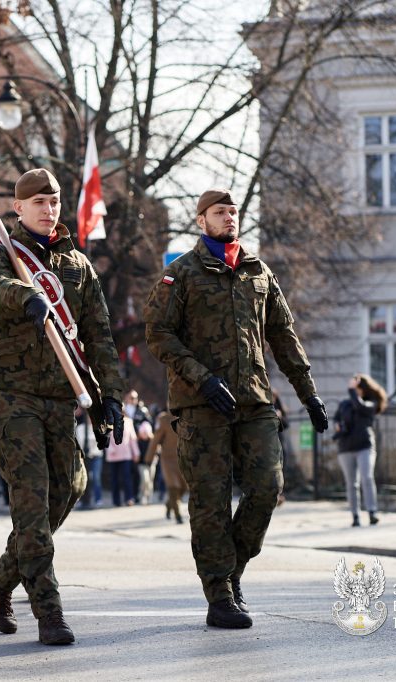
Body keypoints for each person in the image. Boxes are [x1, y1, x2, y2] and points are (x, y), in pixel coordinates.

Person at [144, 188, 328, 630]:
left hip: (254, 401)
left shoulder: (258, 271)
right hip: (200, 404)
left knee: (267, 487)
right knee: (210, 502)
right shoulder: (181, 274)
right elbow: (159, 334)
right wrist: (202, 378)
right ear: (201, 220)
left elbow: (283, 336)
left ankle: (232, 572)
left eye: (233, 212)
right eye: (219, 212)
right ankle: (219, 594)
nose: (229, 218)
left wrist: (309, 393)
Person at [0, 168, 126, 646]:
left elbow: (99, 335)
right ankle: (49, 611)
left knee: (71, 486)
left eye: (54, 201)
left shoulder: (78, 266)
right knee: (32, 503)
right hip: (11, 394)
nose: (48, 208)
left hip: (60, 397)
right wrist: (27, 297)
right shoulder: (2, 253)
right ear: (19, 208)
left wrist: (110, 399)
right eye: (37, 202)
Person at [332, 374, 387, 527]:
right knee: (351, 484)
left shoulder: (371, 403)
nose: (354, 391)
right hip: (346, 447)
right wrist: (337, 424)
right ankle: (355, 516)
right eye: (353, 388)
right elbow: (336, 418)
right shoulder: (344, 404)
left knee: (367, 478)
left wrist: (351, 391)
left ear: (362, 389)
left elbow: (360, 406)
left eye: (356, 388)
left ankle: (372, 512)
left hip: (365, 446)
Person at [145, 408, 187, 523]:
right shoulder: (164, 420)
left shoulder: (187, 417)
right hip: (168, 459)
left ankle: (169, 505)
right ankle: (178, 516)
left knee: (183, 488)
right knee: (173, 486)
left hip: (182, 459)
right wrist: (149, 458)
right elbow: (155, 439)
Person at [105, 413, 137, 507]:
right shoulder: (108, 421)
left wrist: (136, 453)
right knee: (114, 479)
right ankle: (116, 501)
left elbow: (132, 439)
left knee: (127, 477)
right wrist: (109, 448)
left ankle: (129, 498)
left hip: (126, 454)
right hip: (113, 455)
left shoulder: (128, 421)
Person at [75, 407, 104, 508]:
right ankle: (83, 500)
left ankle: (98, 498)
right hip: (84, 456)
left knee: (95, 477)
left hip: (96, 456)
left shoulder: (98, 429)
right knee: (83, 478)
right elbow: (78, 443)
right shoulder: (80, 429)